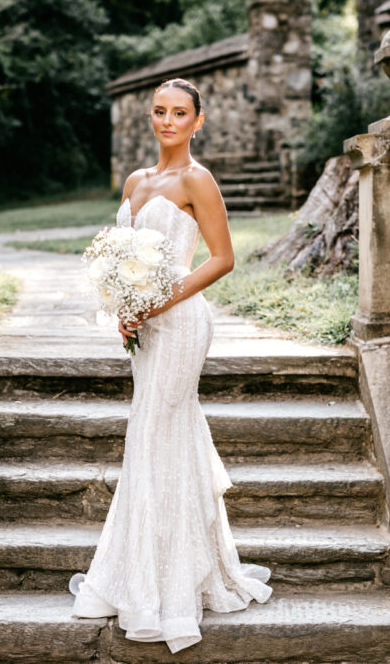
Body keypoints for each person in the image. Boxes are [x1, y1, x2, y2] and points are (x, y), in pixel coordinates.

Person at [69, 78, 272, 653]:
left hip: (182, 324)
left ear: (197, 121)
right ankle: (148, 569)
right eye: (159, 111)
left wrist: (160, 301)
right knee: (157, 438)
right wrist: (125, 310)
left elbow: (223, 259)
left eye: (179, 113)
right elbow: (121, 258)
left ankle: (170, 587)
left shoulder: (197, 180)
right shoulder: (136, 182)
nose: (167, 121)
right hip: (146, 329)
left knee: (155, 432)